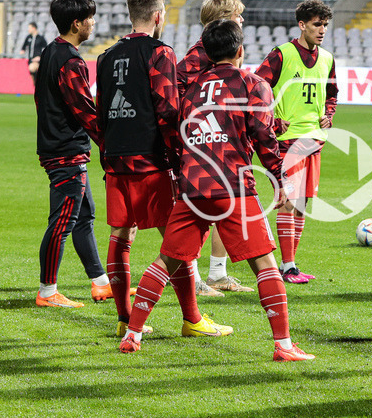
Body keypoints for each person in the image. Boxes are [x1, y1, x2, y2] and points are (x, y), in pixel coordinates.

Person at [120, 20, 315, 362]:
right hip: (233, 186)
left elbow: (179, 135)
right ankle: (283, 345)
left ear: (207, 54)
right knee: (266, 266)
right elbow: (265, 139)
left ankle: (132, 334)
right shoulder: (253, 85)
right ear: (240, 50)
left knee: (166, 260)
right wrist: (281, 180)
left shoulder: (191, 90)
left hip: (193, 186)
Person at [96, 0, 229, 338]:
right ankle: (193, 319)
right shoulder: (160, 53)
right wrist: (180, 159)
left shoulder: (106, 56)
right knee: (176, 240)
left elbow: (100, 113)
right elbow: (168, 110)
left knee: (120, 236)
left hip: (114, 160)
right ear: (158, 16)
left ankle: (124, 317)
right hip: (150, 161)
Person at [34, 0, 113, 308]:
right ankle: (47, 291)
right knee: (63, 221)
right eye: (90, 18)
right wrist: (108, 145)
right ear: (77, 23)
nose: (93, 23)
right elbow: (84, 109)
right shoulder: (70, 60)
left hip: (58, 146)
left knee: (83, 217)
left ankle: (100, 283)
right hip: (66, 151)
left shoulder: (51, 51)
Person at [175, 0, 255, 294]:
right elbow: (177, 99)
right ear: (223, 18)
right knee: (199, 215)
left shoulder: (219, 53)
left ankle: (217, 274)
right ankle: (193, 278)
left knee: (222, 209)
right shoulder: (197, 57)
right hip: (205, 145)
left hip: (225, 142)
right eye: (238, 14)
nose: (242, 19)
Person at [255, 0, 338, 284]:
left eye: (325, 25)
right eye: (317, 24)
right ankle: (288, 266)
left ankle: (290, 264)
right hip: (286, 141)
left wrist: (329, 113)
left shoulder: (327, 58)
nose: (322, 30)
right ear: (301, 25)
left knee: (301, 203)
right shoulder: (281, 54)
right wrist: (274, 122)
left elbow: (332, 93)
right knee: (289, 201)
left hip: (313, 140)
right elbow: (257, 88)